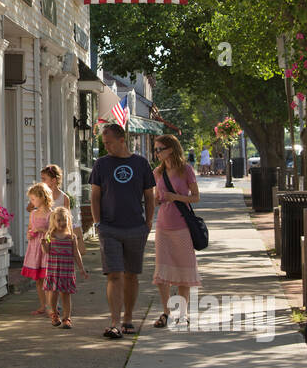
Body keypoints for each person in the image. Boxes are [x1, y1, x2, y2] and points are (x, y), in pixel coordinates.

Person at [90, 122, 156, 339]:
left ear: (122, 140)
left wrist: (148, 223)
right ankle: (115, 322)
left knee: (131, 275)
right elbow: (95, 196)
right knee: (114, 275)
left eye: (109, 143)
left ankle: (128, 318)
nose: (106, 146)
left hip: (136, 226)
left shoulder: (141, 163)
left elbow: (149, 195)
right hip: (109, 227)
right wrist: (98, 222)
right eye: (104, 143)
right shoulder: (101, 164)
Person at [150, 136, 201, 329]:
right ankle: (166, 312)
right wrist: (156, 200)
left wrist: (176, 197)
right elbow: (156, 198)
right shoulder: (157, 172)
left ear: (171, 149)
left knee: (183, 270)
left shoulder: (185, 170)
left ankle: (183, 313)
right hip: (163, 226)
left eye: (160, 149)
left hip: (182, 226)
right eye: (156, 150)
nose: (157, 153)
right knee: (162, 271)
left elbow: (196, 197)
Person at [43, 206, 88, 327]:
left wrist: (81, 268)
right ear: (53, 221)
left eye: (64, 220)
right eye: (59, 220)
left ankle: (67, 318)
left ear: (69, 220)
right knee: (53, 293)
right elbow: (46, 251)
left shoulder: (71, 237)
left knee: (66, 294)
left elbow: (76, 253)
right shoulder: (51, 235)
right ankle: (54, 314)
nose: (62, 223)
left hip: (66, 271)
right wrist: (43, 243)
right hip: (53, 270)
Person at [22, 183, 53, 315]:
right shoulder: (33, 213)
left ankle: (51, 306)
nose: (32, 202)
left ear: (43, 197)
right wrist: (29, 234)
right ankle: (42, 305)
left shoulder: (51, 214)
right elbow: (30, 228)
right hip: (35, 248)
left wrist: (41, 230)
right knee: (38, 280)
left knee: (47, 278)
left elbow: (53, 232)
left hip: (45, 248)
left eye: (33, 199)